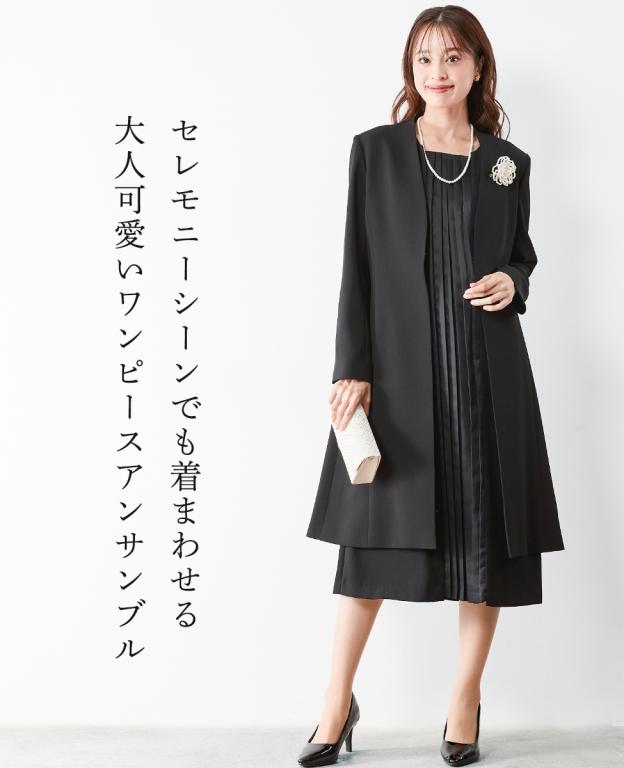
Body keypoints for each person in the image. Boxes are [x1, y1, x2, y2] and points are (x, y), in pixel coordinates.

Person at [298, 6, 565, 767]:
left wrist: (512, 281)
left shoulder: (507, 162)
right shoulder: (376, 153)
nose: (437, 72)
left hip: (487, 377)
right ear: (410, 71)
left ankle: (464, 699)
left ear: (478, 67)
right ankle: (335, 703)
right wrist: (351, 367)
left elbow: (521, 256)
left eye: (452, 57)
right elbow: (356, 266)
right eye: (424, 58)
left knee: (486, 544)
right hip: (400, 382)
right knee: (370, 548)